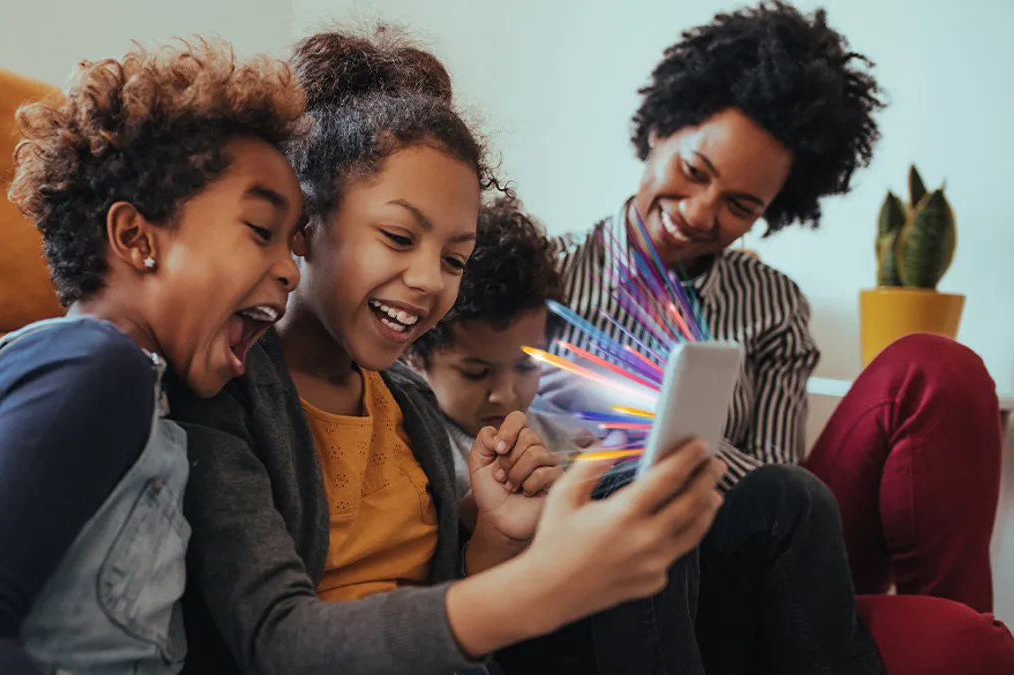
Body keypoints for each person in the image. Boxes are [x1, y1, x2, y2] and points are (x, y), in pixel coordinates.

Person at [167, 26, 727, 675]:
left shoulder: (407, 400)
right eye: (399, 236)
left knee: (653, 491)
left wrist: (496, 533)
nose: (432, 279)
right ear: (305, 220)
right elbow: (278, 640)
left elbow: (438, 599)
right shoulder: (226, 391)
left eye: (455, 257)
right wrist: (544, 584)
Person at [539, 0, 1014, 670]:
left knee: (935, 370)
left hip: (755, 551)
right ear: (658, 129)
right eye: (695, 171)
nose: (699, 214)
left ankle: (955, 604)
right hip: (605, 576)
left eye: (741, 206)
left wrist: (675, 446)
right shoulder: (541, 273)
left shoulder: (770, 303)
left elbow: (775, 484)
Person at [0, 38, 306, 675]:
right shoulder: (92, 368)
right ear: (135, 238)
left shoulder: (142, 395)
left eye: (293, 246)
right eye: (261, 231)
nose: (289, 270)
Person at [409, 194, 887, 675]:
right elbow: (436, 598)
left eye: (526, 364)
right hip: (533, 631)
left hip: (649, 615)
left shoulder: (556, 424)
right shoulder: (422, 439)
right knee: (632, 495)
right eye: (475, 373)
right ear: (414, 355)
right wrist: (485, 520)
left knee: (790, 494)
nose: (505, 394)